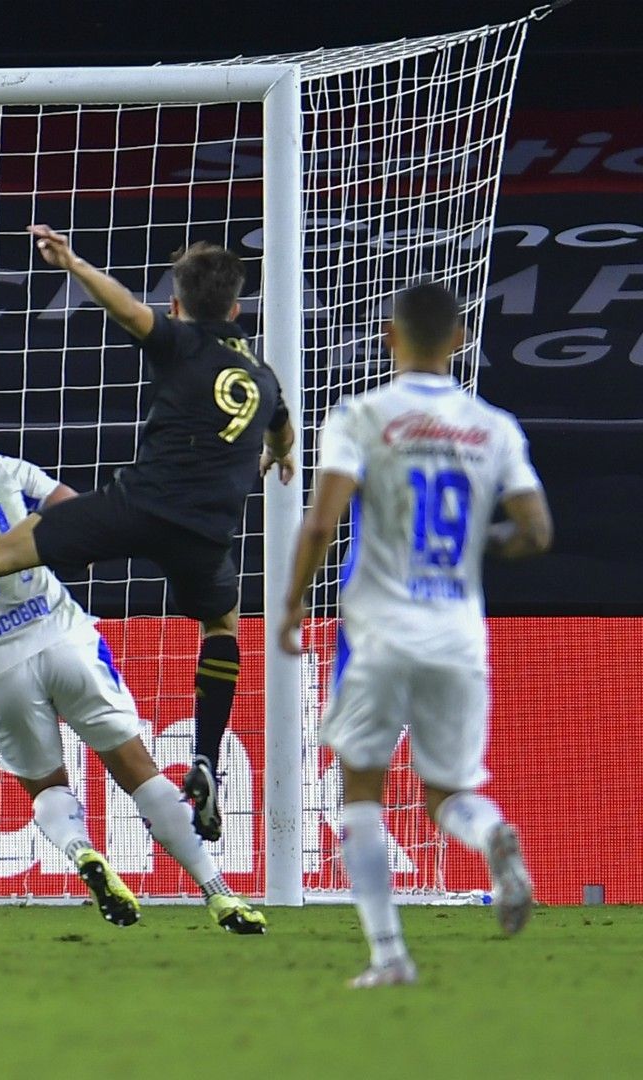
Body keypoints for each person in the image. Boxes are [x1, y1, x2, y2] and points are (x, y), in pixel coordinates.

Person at [278, 281, 551, 988]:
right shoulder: (494, 426)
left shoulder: (362, 416)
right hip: (458, 635)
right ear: (459, 340)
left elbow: (321, 523)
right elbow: (536, 532)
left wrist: (293, 603)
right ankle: (490, 834)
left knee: (360, 793)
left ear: (389, 336)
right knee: (448, 793)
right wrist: (483, 542)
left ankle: (389, 957)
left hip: (379, 633)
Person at [0, 228, 299, 842]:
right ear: (236, 309)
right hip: (203, 538)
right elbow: (284, 427)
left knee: (2, 553)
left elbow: (127, 308)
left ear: (177, 305)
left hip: (136, 508)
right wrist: (279, 454)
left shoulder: (180, 341)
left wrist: (73, 262)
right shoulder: (262, 377)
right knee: (222, 626)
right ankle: (205, 756)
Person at [0, 450, 267, 933]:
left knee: (47, 787)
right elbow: (70, 508)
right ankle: (218, 892)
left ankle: (82, 851)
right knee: (140, 772)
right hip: (63, 636)